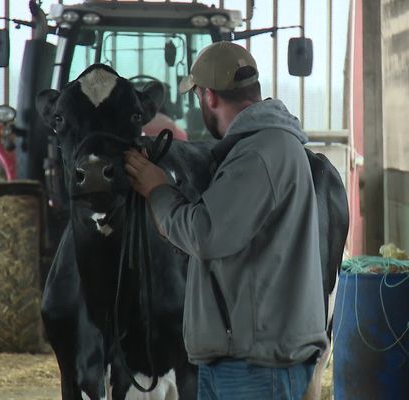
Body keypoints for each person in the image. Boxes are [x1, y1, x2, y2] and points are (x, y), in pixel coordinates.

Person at [124, 41, 327, 399]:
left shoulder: (259, 154)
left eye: (198, 97)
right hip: (247, 356)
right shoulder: (262, 147)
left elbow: (206, 234)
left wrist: (158, 190)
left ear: (209, 97)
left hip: (256, 365)